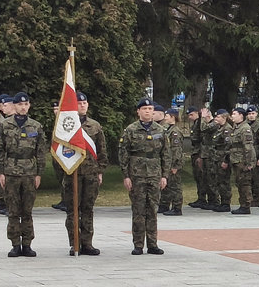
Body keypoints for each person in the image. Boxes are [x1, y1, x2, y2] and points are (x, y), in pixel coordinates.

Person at [0, 92, 46, 257]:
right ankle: (15, 244)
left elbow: (41, 152)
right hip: (11, 171)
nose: (23, 107)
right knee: (13, 210)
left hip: (30, 172)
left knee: (27, 210)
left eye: (26, 104)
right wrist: (0, 172)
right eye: (20, 104)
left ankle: (27, 244)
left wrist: (39, 173)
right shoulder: (5, 125)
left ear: (29, 106)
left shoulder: (36, 126)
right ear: (14, 106)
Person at [118, 98, 170, 255]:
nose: (148, 111)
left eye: (150, 108)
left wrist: (164, 175)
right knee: (138, 210)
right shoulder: (130, 130)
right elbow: (123, 153)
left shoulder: (160, 130)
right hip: (137, 175)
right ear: (138, 111)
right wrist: (126, 175)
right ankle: (138, 244)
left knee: (153, 209)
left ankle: (153, 244)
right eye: (144, 108)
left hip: (154, 174)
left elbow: (166, 154)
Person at [63, 92, 108, 256]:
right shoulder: (66, 124)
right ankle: (74, 243)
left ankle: (87, 243)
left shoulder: (95, 126)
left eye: (85, 103)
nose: (82, 105)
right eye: (79, 103)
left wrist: (100, 171)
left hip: (90, 173)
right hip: (72, 172)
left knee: (88, 209)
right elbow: (58, 149)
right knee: (73, 209)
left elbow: (102, 150)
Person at [228, 108, 257, 214]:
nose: (232, 116)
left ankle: (246, 205)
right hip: (236, 159)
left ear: (241, 115)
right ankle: (243, 204)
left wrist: (249, 163)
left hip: (242, 161)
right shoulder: (236, 128)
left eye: (234, 114)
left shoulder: (245, 128)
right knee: (239, 183)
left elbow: (248, 147)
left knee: (244, 183)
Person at [158, 108, 185, 216]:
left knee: (175, 186)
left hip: (173, 163)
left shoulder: (175, 132)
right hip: (167, 162)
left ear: (173, 117)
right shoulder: (168, 129)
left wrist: (175, 165)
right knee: (166, 186)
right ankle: (164, 204)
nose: (165, 118)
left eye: (167, 116)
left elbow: (176, 150)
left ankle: (177, 207)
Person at [207, 109, 233, 212]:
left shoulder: (227, 130)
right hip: (216, 158)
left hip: (222, 158)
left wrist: (226, 161)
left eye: (218, 117)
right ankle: (221, 202)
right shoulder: (219, 128)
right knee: (218, 181)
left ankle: (226, 203)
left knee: (224, 181)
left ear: (224, 118)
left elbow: (229, 146)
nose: (215, 119)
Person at [186, 107, 210, 208]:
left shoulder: (201, 123)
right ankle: (201, 198)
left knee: (202, 177)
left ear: (197, 113)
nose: (189, 117)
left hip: (200, 152)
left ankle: (204, 198)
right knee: (197, 177)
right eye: (188, 115)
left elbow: (202, 140)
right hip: (195, 152)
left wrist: (200, 155)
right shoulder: (196, 123)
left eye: (191, 114)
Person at [245, 106, 259, 206]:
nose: (251, 116)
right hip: (248, 154)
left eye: (253, 114)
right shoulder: (245, 125)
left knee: (256, 178)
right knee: (248, 178)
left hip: (256, 153)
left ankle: (256, 200)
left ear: (256, 114)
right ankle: (249, 197)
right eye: (249, 114)